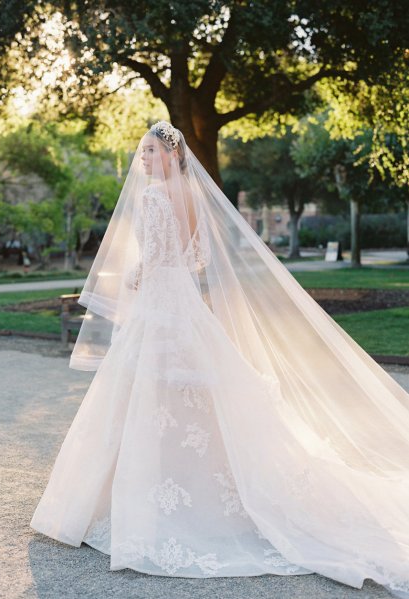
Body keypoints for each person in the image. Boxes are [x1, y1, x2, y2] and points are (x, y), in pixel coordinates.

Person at [30, 121, 409, 598]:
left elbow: (156, 256)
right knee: (191, 387)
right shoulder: (192, 195)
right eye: (142, 153)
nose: (143, 160)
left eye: (149, 152)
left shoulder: (152, 198)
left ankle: (143, 499)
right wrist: (161, 271)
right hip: (185, 302)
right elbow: (197, 259)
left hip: (159, 304)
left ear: (169, 155)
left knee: (149, 390)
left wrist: (138, 275)